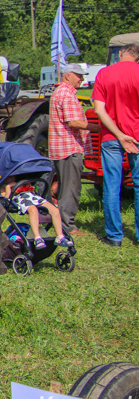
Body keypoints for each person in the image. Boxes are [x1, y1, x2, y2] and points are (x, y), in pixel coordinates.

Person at [92, 43, 139, 247]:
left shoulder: (104, 73)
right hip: (137, 136)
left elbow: (99, 110)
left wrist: (119, 135)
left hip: (112, 137)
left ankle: (114, 236)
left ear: (120, 54)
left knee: (111, 186)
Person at [49, 64, 99, 236]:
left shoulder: (59, 92)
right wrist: (100, 127)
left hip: (61, 147)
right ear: (67, 75)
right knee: (72, 188)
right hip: (69, 147)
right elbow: (73, 122)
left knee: (65, 187)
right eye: (78, 75)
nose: (82, 79)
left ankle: (61, 222)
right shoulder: (67, 94)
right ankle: (68, 226)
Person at [0, 176, 72, 249]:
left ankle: (60, 236)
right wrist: (9, 187)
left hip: (32, 196)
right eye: (9, 177)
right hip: (19, 199)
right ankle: (37, 238)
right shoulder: (3, 186)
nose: (12, 178)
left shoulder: (21, 181)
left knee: (55, 210)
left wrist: (27, 184)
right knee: (33, 210)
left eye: (13, 176)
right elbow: (6, 199)